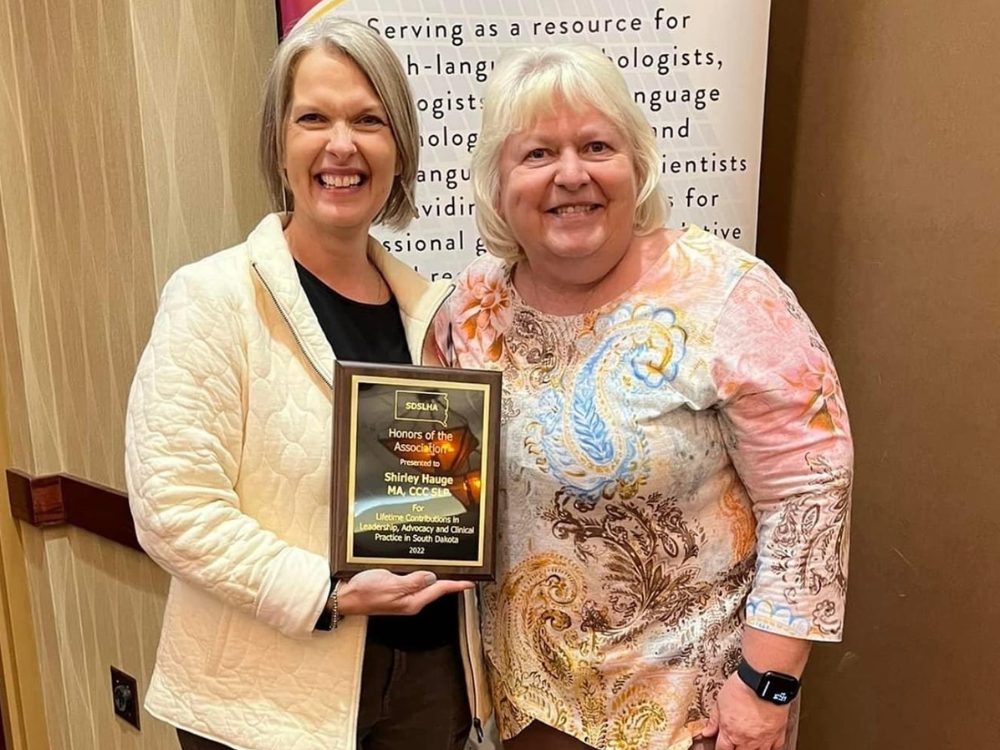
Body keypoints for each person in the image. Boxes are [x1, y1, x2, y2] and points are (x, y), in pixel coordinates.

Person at [434, 44, 853, 750]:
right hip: (522, 713)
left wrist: (767, 688)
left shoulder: (729, 295)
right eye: (538, 154)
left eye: (596, 146)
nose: (571, 174)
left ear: (636, 165)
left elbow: (812, 494)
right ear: (497, 184)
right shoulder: (473, 306)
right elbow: (437, 478)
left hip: (696, 717)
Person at [125, 16, 489, 750]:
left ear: (399, 150)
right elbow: (173, 507)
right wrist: (328, 591)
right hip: (269, 698)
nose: (342, 145)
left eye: (368, 120)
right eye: (313, 118)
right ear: (280, 143)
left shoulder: (435, 314)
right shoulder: (213, 296)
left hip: (426, 688)